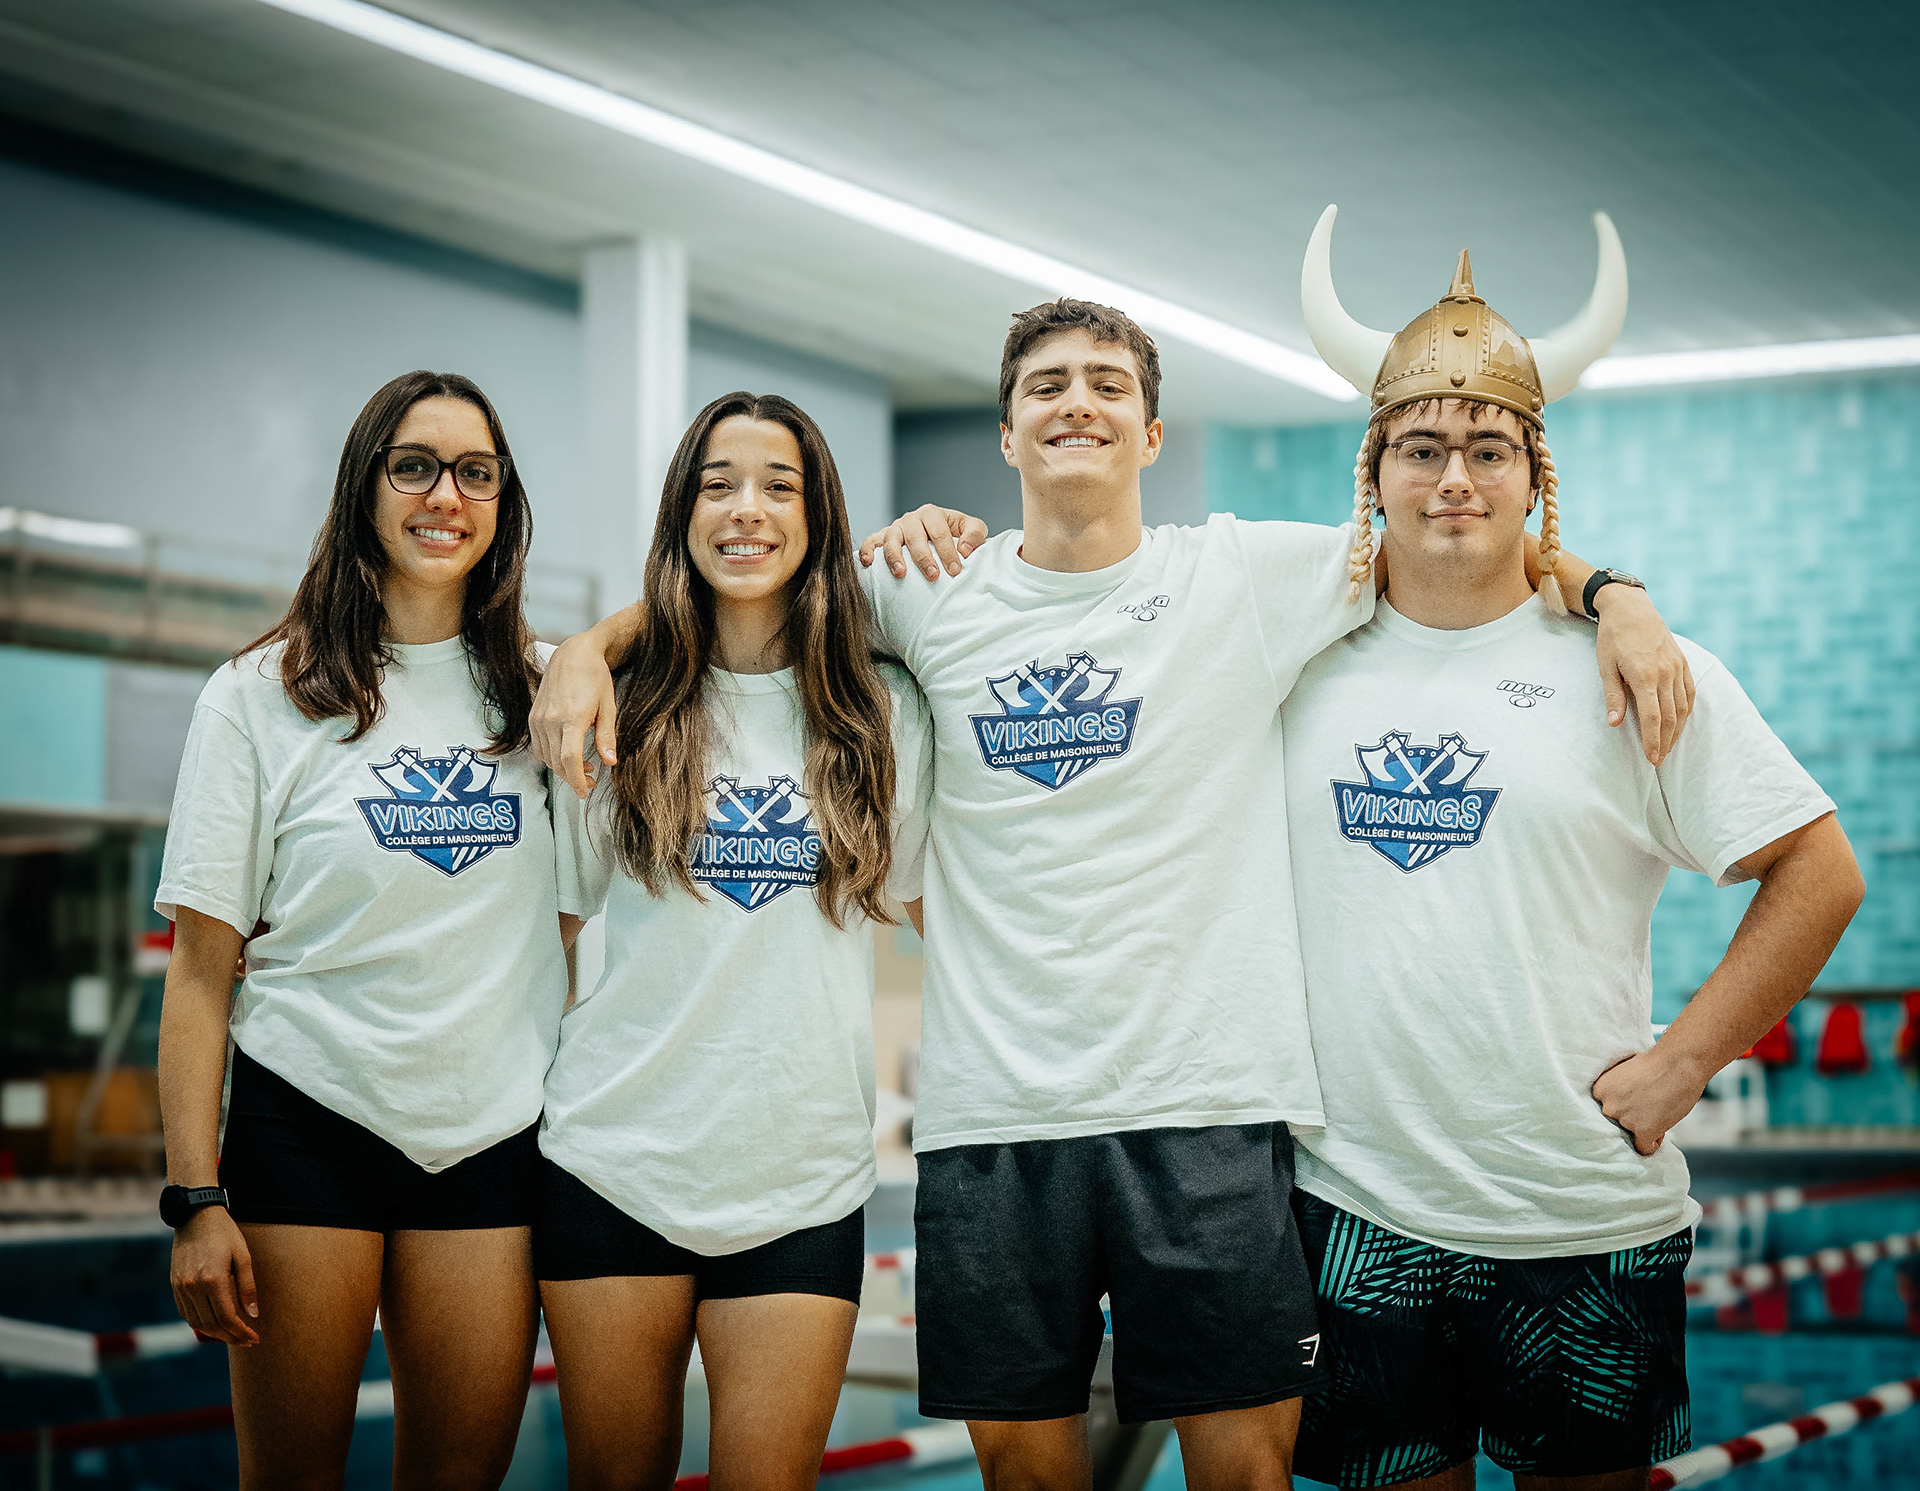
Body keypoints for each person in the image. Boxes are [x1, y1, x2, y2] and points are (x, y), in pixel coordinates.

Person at [534, 295, 1688, 1490]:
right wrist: (588, 648)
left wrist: (1619, 595)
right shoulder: (924, 588)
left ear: (1150, 433)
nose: (1076, 402)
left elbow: (1458, 533)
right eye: (1046, 385)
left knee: (1243, 1475)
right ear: (1006, 433)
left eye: (1106, 384)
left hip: (1208, 1113)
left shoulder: (1243, 574)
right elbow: (744, 582)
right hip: (995, 1126)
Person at [1275, 207, 1865, 1491]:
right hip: (1352, 1211)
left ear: (1535, 477)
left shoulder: (1640, 669)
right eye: (1422, 448)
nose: (1455, 479)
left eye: (1489, 449)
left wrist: (1686, 1063)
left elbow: (1821, 871)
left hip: (1581, 1216)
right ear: (1374, 470)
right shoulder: (1288, 658)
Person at [155, 371, 565, 1491]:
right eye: (414, 466)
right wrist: (195, 1199)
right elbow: (200, 974)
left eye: (475, 472)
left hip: (491, 1135)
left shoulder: (546, 695)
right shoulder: (258, 695)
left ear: (504, 501)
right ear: (364, 488)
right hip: (308, 1118)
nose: (446, 495)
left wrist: (592, 650)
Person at [535, 392, 933, 1491]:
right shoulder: (616, 703)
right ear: (683, 514)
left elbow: (939, 918)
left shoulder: (881, 712)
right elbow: (548, 934)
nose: (746, 509)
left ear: (817, 517)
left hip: (802, 1176)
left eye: (778, 486)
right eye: (717, 486)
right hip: (614, 1159)